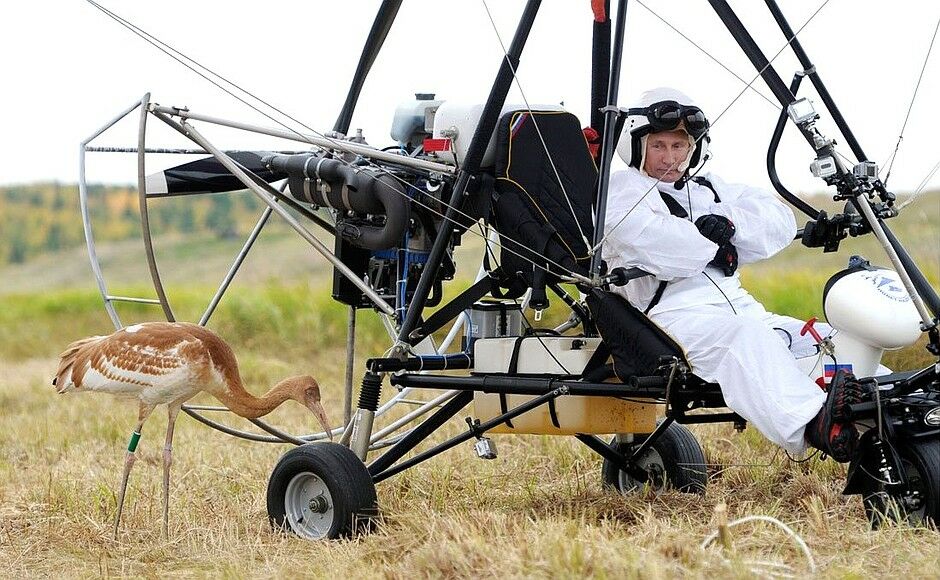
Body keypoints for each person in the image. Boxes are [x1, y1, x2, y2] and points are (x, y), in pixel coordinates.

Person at [602, 87, 864, 461]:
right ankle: (817, 424)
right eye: (659, 146)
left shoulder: (707, 187)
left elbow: (776, 220)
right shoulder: (620, 191)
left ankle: (885, 416)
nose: (670, 158)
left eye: (680, 146)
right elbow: (663, 249)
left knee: (826, 339)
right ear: (636, 144)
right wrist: (713, 238)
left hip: (741, 308)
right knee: (745, 339)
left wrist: (728, 224)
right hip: (674, 319)